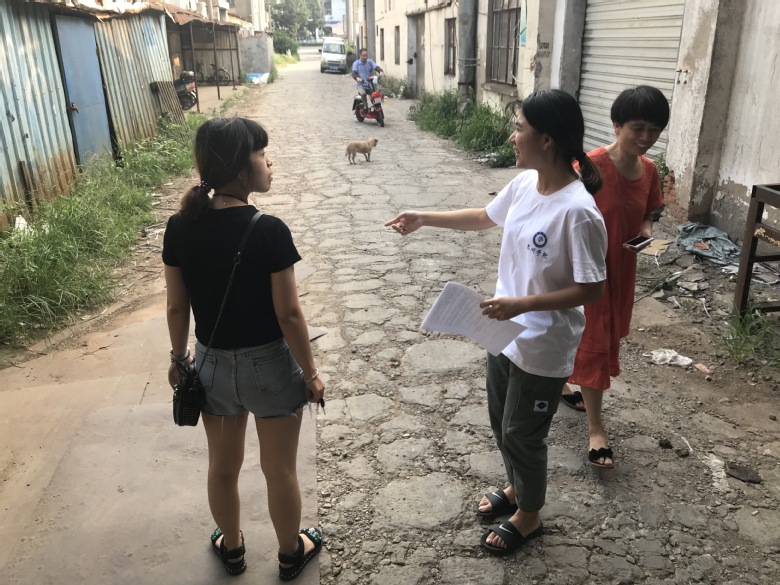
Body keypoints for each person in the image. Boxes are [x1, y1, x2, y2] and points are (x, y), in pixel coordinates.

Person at [384, 90, 607, 555]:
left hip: (543, 342)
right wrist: (424, 218)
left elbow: (592, 290)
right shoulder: (525, 184)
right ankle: (515, 487)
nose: (512, 136)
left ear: (547, 140)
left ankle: (529, 514)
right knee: (500, 420)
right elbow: (485, 218)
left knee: (522, 433)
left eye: (519, 127)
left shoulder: (578, 211)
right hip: (504, 332)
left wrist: (523, 304)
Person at [163, 117, 325, 581]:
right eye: (262, 154)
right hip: (270, 367)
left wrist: (179, 358)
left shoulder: (180, 226)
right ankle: (290, 553)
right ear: (239, 167)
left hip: (211, 365)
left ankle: (232, 550)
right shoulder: (270, 230)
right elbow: (288, 314)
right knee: (280, 471)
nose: (269, 162)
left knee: (222, 467)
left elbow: (177, 306)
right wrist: (311, 373)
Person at [560, 85, 669, 469]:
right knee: (594, 345)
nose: (646, 138)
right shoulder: (589, 168)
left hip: (621, 271)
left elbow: (648, 211)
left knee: (589, 337)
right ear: (617, 125)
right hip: (585, 274)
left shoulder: (649, 170)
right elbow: (558, 212)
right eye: (638, 128)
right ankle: (596, 431)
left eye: (654, 130)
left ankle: (561, 380)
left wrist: (645, 231)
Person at [351, 47, 383, 113]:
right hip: (361, 85)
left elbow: (376, 67)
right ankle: (365, 107)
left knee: (376, 94)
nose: (365, 57)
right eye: (363, 56)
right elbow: (354, 73)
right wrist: (357, 78)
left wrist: (380, 71)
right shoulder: (356, 63)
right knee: (363, 93)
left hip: (370, 84)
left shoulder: (370, 62)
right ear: (360, 55)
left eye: (366, 55)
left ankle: (377, 106)